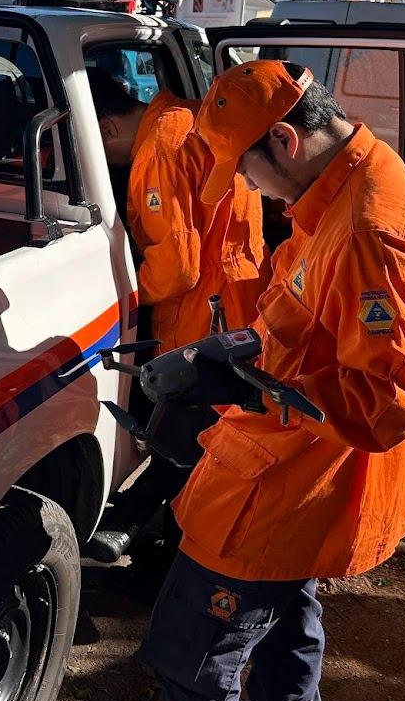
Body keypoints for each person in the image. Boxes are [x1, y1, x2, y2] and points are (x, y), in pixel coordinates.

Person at [138, 60, 405, 701]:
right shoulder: (335, 192)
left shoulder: (372, 228)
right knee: (285, 608)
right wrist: (225, 347)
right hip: (285, 461)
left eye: (246, 171)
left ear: (284, 138)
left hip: (293, 476)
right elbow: (301, 317)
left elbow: (391, 401)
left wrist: (241, 384)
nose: (247, 189)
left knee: (194, 655)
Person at [86, 66, 271, 571]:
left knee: (185, 439)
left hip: (203, 313)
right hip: (240, 301)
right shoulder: (188, 117)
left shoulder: (159, 151)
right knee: (205, 440)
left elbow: (177, 267)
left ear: (105, 128)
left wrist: (117, 298)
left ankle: (162, 564)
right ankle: (161, 560)